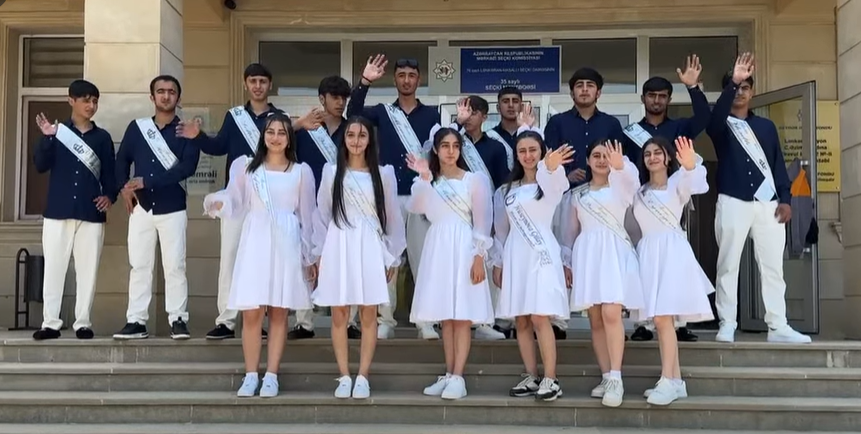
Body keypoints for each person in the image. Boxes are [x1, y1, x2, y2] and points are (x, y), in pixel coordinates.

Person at [203, 113, 316, 398]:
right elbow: (234, 198)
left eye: (282, 132)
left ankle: (272, 375)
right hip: (255, 241)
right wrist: (219, 203)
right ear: (263, 136)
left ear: (289, 138)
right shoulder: (246, 167)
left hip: (286, 244)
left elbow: (308, 217)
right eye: (271, 132)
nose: (276, 137)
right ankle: (251, 374)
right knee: (252, 313)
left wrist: (310, 256)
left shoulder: (301, 172)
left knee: (279, 313)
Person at [707, 53, 810, 344]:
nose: (740, 92)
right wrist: (733, 81)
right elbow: (712, 125)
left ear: (752, 92)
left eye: (745, 87)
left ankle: (778, 325)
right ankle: (727, 322)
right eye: (735, 87)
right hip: (733, 200)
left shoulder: (766, 126)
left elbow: (777, 164)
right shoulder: (721, 123)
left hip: (768, 204)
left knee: (773, 267)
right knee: (728, 265)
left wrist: (786, 198)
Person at [347, 54, 441, 340]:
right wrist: (365, 82)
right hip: (388, 197)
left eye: (411, 75)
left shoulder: (433, 115)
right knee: (387, 259)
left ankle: (426, 320)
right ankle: (385, 319)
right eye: (401, 75)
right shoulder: (383, 112)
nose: (406, 80)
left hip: (421, 196)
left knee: (423, 260)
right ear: (395, 79)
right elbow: (353, 114)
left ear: (419, 80)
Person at [312, 116, 406, 399]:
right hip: (339, 243)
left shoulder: (383, 174)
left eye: (361, 135)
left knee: (368, 313)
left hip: (370, 245)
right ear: (344, 139)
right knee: (339, 313)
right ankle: (344, 376)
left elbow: (392, 217)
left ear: (369, 140)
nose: (355, 141)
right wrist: (318, 253)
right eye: (351, 135)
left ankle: (363, 375)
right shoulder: (331, 172)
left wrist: (392, 256)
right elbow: (321, 215)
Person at [190, 63, 285, 341]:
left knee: (263, 261)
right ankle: (226, 320)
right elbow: (219, 146)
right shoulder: (235, 116)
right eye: (253, 81)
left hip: (267, 201)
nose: (257, 86)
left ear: (270, 85)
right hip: (236, 199)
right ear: (245, 84)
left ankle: (259, 320)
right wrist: (199, 137)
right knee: (230, 258)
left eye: (262, 81)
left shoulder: (279, 118)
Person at [624, 55, 712, 343]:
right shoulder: (630, 133)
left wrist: (693, 88)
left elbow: (704, 119)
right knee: (645, 260)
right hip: (641, 202)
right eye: (652, 95)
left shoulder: (679, 128)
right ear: (643, 99)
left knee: (673, 261)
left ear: (669, 100)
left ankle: (679, 320)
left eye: (662, 96)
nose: (657, 100)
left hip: (673, 196)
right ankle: (643, 323)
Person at [407, 126, 495, 400]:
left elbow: (483, 221)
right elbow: (417, 207)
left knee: (462, 315)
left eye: (455, 146)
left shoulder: (474, 180)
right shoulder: (429, 181)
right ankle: (448, 373)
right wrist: (424, 177)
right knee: (446, 316)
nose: (450, 151)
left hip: (464, 245)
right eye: (445, 146)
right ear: (435, 149)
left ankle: (459, 376)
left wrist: (479, 256)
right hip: (438, 247)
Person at [113, 75, 202, 340]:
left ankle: (178, 319)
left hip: (172, 206)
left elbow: (187, 168)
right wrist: (123, 187)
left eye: (171, 91)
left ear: (178, 97)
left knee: (175, 266)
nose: (166, 96)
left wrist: (147, 181)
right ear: (152, 97)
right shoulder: (137, 128)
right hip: (141, 208)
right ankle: (136, 321)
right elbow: (121, 160)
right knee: (139, 266)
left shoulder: (186, 131)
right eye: (160, 91)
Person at [491, 127, 574, 403]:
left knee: (540, 316)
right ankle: (531, 375)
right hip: (516, 254)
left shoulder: (549, 182)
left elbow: (557, 184)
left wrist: (550, 168)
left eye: (533, 150)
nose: (527, 155)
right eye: (522, 151)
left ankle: (551, 378)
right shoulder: (507, 190)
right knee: (522, 318)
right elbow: (501, 230)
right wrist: (498, 262)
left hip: (542, 254)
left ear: (542, 152)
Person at [543, 67, 625, 339]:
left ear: (598, 92)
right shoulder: (557, 123)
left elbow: (618, 161)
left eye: (590, 85)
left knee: (602, 255)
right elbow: (548, 161)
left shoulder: (611, 125)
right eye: (580, 85)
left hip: (604, 199)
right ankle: (559, 320)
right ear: (572, 92)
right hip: (568, 195)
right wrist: (566, 175)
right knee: (564, 253)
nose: (585, 89)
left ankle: (611, 318)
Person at [31, 79, 117, 340]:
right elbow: (40, 165)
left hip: (90, 212)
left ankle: (83, 323)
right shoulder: (57, 133)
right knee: (54, 268)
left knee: (88, 270)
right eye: (85, 100)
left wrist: (109, 196)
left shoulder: (102, 138)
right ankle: (50, 323)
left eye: (95, 101)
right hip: (58, 210)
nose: (91, 105)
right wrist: (48, 137)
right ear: (71, 100)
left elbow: (110, 174)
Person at [632, 136, 714, 406]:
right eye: (647, 154)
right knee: (660, 320)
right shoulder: (639, 191)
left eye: (657, 152)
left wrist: (690, 165)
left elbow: (697, 183)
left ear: (667, 157)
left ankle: (668, 380)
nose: (652, 157)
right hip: (648, 254)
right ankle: (675, 381)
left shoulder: (677, 182)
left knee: (662, 319)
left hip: (672, 254)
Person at [562, 139, 643, 408]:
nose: (600, 160)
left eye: (605, 156)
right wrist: (567, 262)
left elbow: (632, 182)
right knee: (595, 319)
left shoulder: (620, 187)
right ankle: (607, 375)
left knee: (611, 313)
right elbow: (570, 233)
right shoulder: (578, 195)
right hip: (587, 255)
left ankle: (617, 378)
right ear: (587, 160)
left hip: (613, 253)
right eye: (595, 155)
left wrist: (621, 166)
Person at [291, 75, 361, 340]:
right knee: (308, 258)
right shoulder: (306, 129)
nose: (340, 102)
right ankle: (304, 321)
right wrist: (297, 125)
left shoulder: (352, 131)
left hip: (344, 204)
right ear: (322, 98)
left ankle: (349, 321)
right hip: (309, 203)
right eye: (335, 97)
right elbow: (272, 141)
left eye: (344, 98)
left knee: (348, 261)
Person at [448, 96, 510, 341]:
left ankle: (485, 321)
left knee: (486, 264)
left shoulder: (495, 147)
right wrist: (457, 124)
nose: (469, 117)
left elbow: (503, 184)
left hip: (486, 213)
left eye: (473, 112)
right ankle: (456, 316)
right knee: (458, 266)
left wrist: (498, 216)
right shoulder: (453, 144)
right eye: (464, 112)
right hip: (457, 214)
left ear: (484, 116)